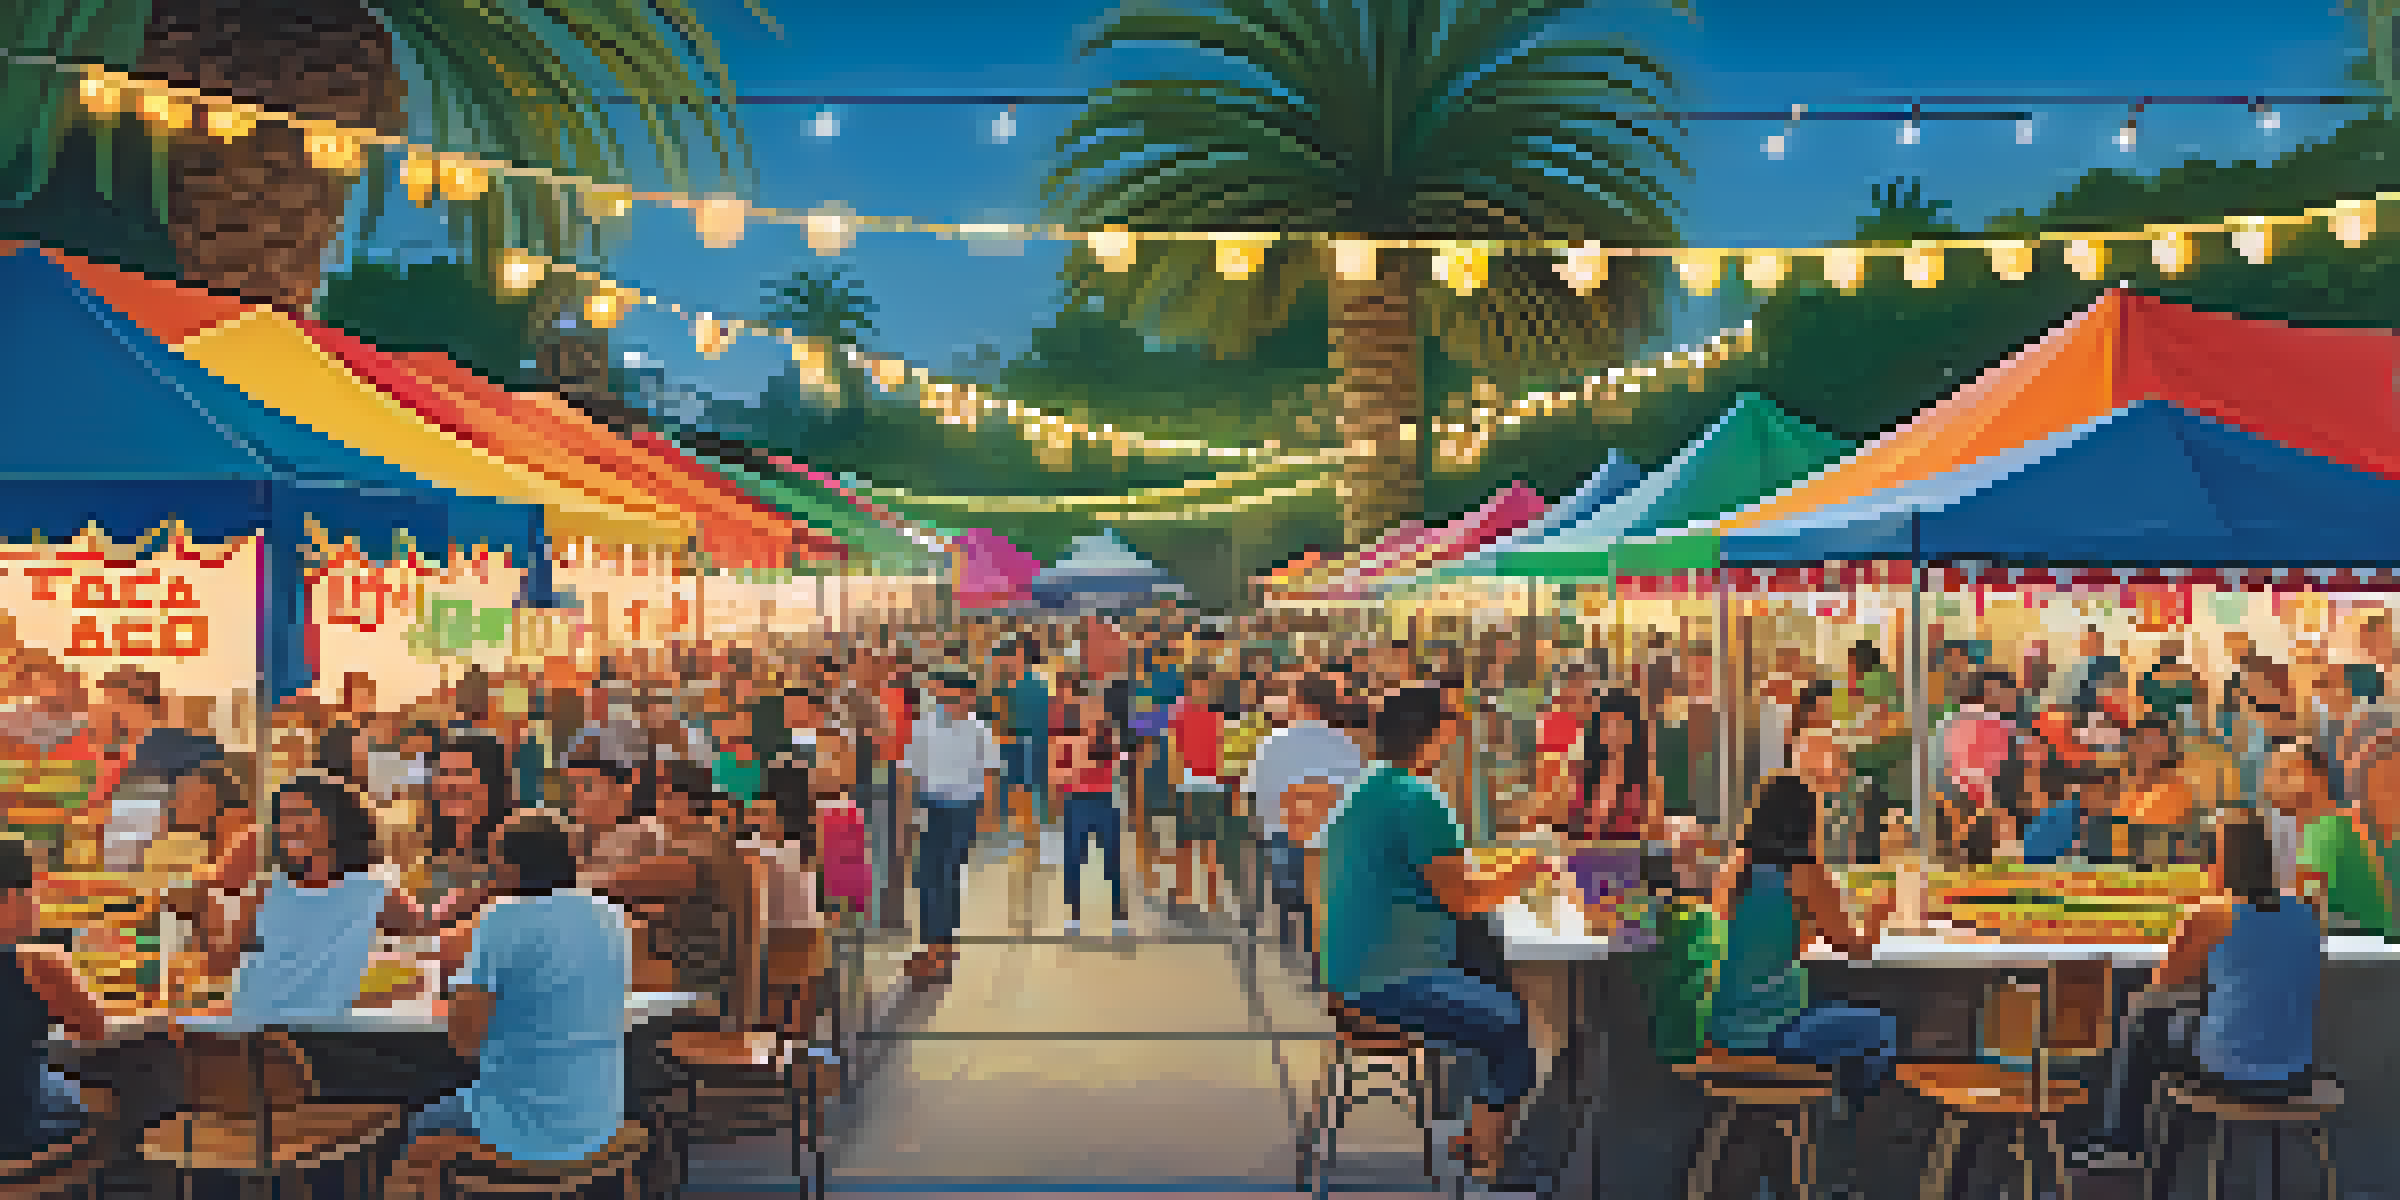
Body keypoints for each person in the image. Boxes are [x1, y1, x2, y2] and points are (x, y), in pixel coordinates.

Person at [1318, 684, 1542, 1183]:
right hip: (1388, 980)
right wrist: (1529, 868)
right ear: (1435, 735)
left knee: (1495, 988)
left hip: (1353, 973)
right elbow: (1463, 900)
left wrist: (1502, 870)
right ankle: (1488, 1160)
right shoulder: (1418, 798)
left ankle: (1475, 1136)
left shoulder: (1373, 790)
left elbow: (1443, 874)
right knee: (1509, 1023)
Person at [386, 815, 634, 1197]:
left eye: (494, 861)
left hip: (527, 1126)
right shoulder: (609, 915)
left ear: (511, 868)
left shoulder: (502, 920)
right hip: (601, 1116)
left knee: (423, 1124)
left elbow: (464, 1040)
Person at [2067, 814, 2326, 1172]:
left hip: (2227, 1074)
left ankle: (2122, 1140)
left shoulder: (2214, 914)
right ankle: (2120, 1139)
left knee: (2143, 1013)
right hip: (2295, 1076)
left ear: (2222, 862)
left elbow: (2162, 983)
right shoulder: (2307, 913)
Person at [1706, 773, 1899, 1107]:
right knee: (1882, 1029)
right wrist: (1880, 911)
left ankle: (1833, 1111)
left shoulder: (1735, 870)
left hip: (1720, 1034)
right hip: (1774, 1036)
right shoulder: (1805, 874)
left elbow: (1750, 939)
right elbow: (1857, 948)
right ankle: (1846, 1123)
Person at [212, 775, 448, 1021]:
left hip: (321, 1038)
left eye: (302, 814)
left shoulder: (374, 893)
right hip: (254, 1030)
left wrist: (404, 989)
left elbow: (435, 940)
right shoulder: (264, 891)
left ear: (335, 823)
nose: (289, 826)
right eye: (283, 817)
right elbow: (223, 963)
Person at [0, 835, 110, 1158]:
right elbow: (97, 1033)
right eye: (33, 893)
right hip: (21, 1135)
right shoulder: (37, 962)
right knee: (110, 1102)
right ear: (11, 897)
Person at [897, 670, 1001, 986]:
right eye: (946, 696)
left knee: (945, 876)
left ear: (969, 698)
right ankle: (939, 944)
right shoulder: (923, 727)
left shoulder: (980, 730)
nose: (951, 702)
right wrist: (907, 813)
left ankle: (937, 950)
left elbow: (991, 773)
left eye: (959, 697)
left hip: (962, 810)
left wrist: (988, 815)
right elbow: (907, 771)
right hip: (930, 808)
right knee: (930, 878)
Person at [1244, 676, 1365, 946]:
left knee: (1290, 888)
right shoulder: (1346, 746)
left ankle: (1291, 930)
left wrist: (1267, 826)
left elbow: (1257, 791)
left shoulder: (1274, 742)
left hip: (1285, 836)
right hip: (1330, 839)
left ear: (1302, 703)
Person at [1052, 681, 1130, 937]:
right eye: (1084, 706)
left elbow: (1118, 762)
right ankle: (1074, 914)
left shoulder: (1109, 735)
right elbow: (1054, 774)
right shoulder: (1064, 737)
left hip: (1104, 801)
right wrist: (1082, 763)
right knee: (1074, 859)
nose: (1090, 711)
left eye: (1095, 706)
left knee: (1113, 859)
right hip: (1075, 802)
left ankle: (1118, 914)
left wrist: (1079, 764)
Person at [1563, 689, 1658, 841]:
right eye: (1607, 725)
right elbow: (1573, 829)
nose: (1613, 733)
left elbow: (1653, 833)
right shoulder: (1582, 773)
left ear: (1632, 730)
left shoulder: (1648, 778)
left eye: (1620, 725)